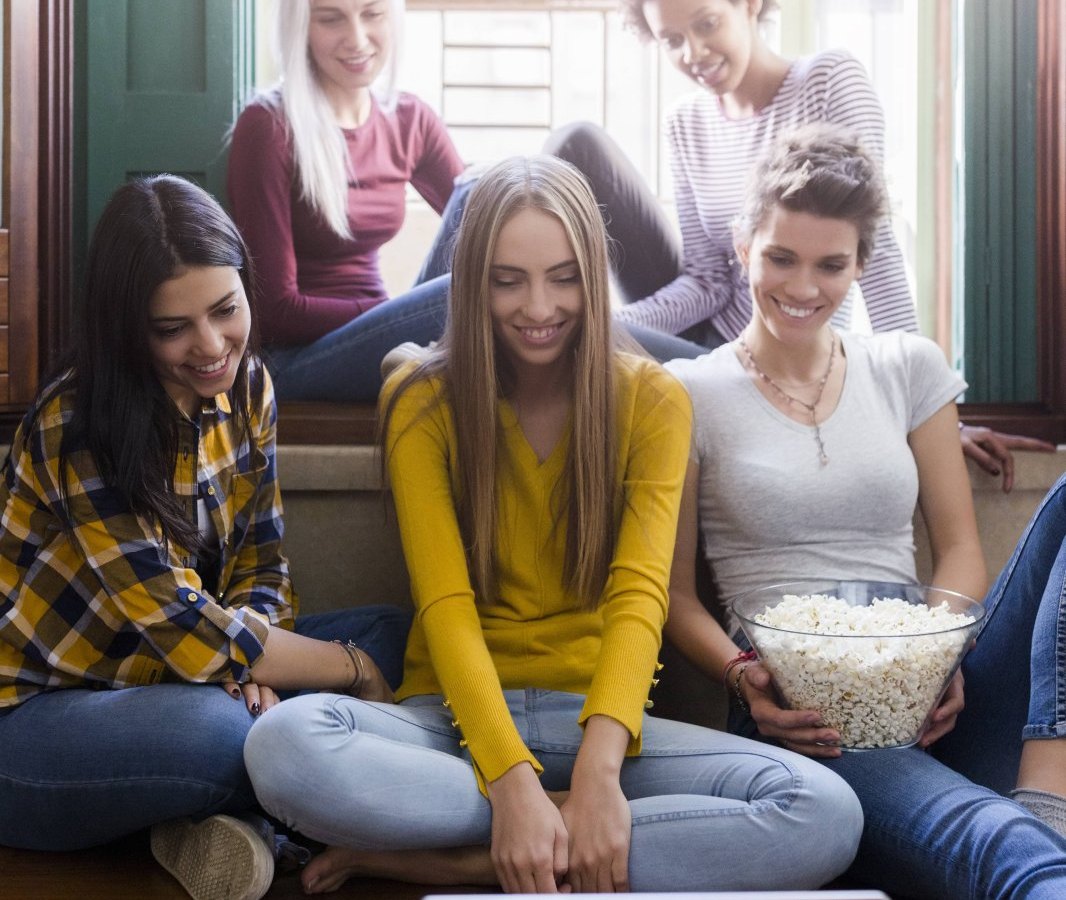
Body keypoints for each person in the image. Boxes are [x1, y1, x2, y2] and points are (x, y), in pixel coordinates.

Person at [243, 154, 863, 895]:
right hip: (451, 723)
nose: (539, 307)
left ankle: (464, 861)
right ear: (474, 281)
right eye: (509, 280)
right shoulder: (420, 399)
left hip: (603, 730)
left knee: (825, 812)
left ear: (593, 277)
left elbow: (641, 599)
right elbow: (445, 608)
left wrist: (600, 776)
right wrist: (510, 785)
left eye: (564, 277)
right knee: (282, 748)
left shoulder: (654, 401)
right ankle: (548, 836)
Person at [664, 123, 1066, 899]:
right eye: (780, 257)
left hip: (934, 680)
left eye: (830, 264)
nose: (802, 287)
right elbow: (673, 594)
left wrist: (938, 657)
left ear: (861, 266)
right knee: (995, 847)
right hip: (802, 711)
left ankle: (1049, 793)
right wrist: (744, 675)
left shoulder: (906, 366)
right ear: (744, 243)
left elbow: (959, 551)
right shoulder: (691, 394)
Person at [0, 174, 411, 900]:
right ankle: (275, 808)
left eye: (226, 310)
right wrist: (347, 671)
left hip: (191, 678)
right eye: (173, 329)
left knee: (400, 634)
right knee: (223, 738)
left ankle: (209, 823)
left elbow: (263, 561)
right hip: (43, 719)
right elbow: (188, 630)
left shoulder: (248, 387)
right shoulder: (78, 426)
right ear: (128, 325)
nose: (211, 344)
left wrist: (267, 672)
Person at [528, 0, 1054, 486]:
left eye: (707, 23)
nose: (694, 54)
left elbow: (879, 246)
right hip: (703, 343)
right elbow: (707, 280)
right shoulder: (684, 123)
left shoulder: (827, 80)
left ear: (750, 4)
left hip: (778, 353)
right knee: (571, 151)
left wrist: (934, 412)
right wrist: (604, 321)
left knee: (464, 302)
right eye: (672, 40)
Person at [227, 0, 467, 403]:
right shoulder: (268, 127)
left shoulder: (410, 119)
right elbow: (274, 312)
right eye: (330, 18)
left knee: (485, 198)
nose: (357, 39)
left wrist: (395, 317)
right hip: (294, 359)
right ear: (300, 27)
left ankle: (602, 326)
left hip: (375, 330)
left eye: (372, 14)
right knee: (461, 295)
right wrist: (391, 315)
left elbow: (484, 218)